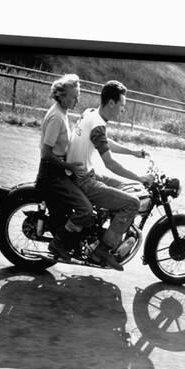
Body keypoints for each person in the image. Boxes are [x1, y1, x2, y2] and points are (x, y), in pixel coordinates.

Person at [66, 80, 152, 271]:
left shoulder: (90, 113)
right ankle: (103, 250)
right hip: (84, 180)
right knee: (132, 203)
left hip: (84, 173)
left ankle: (105, 230)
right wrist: (140, 178)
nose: (123, 110)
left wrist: (133, 153)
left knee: (126, 189)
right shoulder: (97, 123)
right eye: (122, 105)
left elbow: (105, 141)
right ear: (111, 103)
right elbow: (110, 163)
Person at [35, 74, 95, 261]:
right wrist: (69, 165)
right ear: (61, 96)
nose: (77, 99)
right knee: (85, 210)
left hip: (59, 171)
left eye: (78, 95)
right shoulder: (56, 117)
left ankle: (76, 245)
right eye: (73, 96)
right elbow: (46, 153)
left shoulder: (62, 112)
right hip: (52, 174)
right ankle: (59, 243)